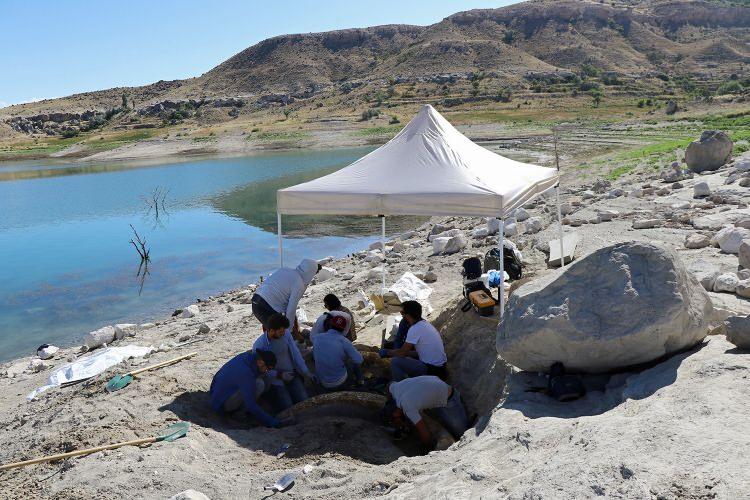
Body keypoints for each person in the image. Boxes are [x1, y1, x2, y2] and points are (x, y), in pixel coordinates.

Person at [381, 375, 468, 449]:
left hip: (450, 399)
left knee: (463, 434)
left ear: (395, 413)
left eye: (396, 421)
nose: (398, 423)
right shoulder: (395, 389)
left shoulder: (408, 407)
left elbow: (426, 435)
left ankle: (461, 405)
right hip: (434, 385)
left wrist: (424, 448)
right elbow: (389, 384)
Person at [252, 313, 315, 412]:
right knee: (288, 406)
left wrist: (306, 372)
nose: (283, 333)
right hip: (275, 380)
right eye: (280, 332)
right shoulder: (259, 345)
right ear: (271, 331)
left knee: (304, 400)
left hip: (291, 374)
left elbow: (295, 353)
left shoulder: (286, 334)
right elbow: (261, 370)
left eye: (284, 330)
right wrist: (280, 375)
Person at [209, 349, 280, 428]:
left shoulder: (246, 357)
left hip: (216, 394)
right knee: (259, 384)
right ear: (261, 362)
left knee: (259, 381)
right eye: (268, 369)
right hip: (221, 405)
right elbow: (251, 404)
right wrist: (272, 422)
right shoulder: (246, 373)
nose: (267, 371)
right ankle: (239, 415)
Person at [379, 300, 447, 382]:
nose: (401, 315)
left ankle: (401, 387)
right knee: (400, 352)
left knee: (395, 361)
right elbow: (419, 352)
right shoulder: (424, 324)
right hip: (441, 367)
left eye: (402, 313)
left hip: (432, 370)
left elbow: (401, 353)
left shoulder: (415, 329)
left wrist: (387, 352)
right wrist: (397, 352)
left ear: (408, 315)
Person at [251, 259, 320, 330]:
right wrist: (288, 330)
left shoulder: (285, 269)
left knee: (271, 330)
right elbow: (291, 310)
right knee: (279, 333)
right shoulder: (299, 284)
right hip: (268, 307)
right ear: (310, 273)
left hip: (255, 300)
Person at [311, 312, 364, 391]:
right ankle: (360, 382)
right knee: (352, 361)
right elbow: (359, 360)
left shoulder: (316, 338)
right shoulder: (343, 341)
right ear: (343, 329)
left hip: (323, 382)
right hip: (339, 382)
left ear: (330, 325)